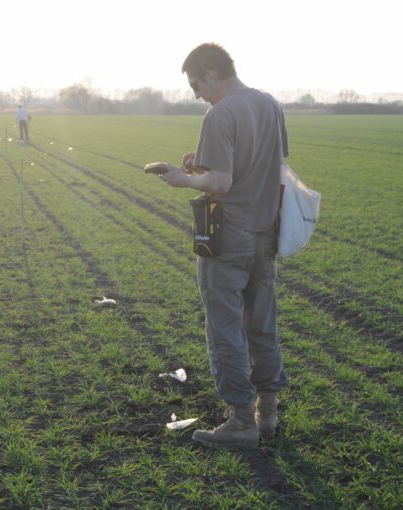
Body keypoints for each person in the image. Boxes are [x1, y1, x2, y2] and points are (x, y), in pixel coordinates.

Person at [145, 43, 289, 448]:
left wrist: (183, 178)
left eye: (196, 85)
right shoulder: (270, 104)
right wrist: (203, 166)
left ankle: (240, 421)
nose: (196, 94)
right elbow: (264, 165)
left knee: (225, 328)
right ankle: (268, 415)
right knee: (262, 323)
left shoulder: (220, 113)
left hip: (228, 238)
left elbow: (223, 184)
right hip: (267, 235)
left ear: (210, 74)